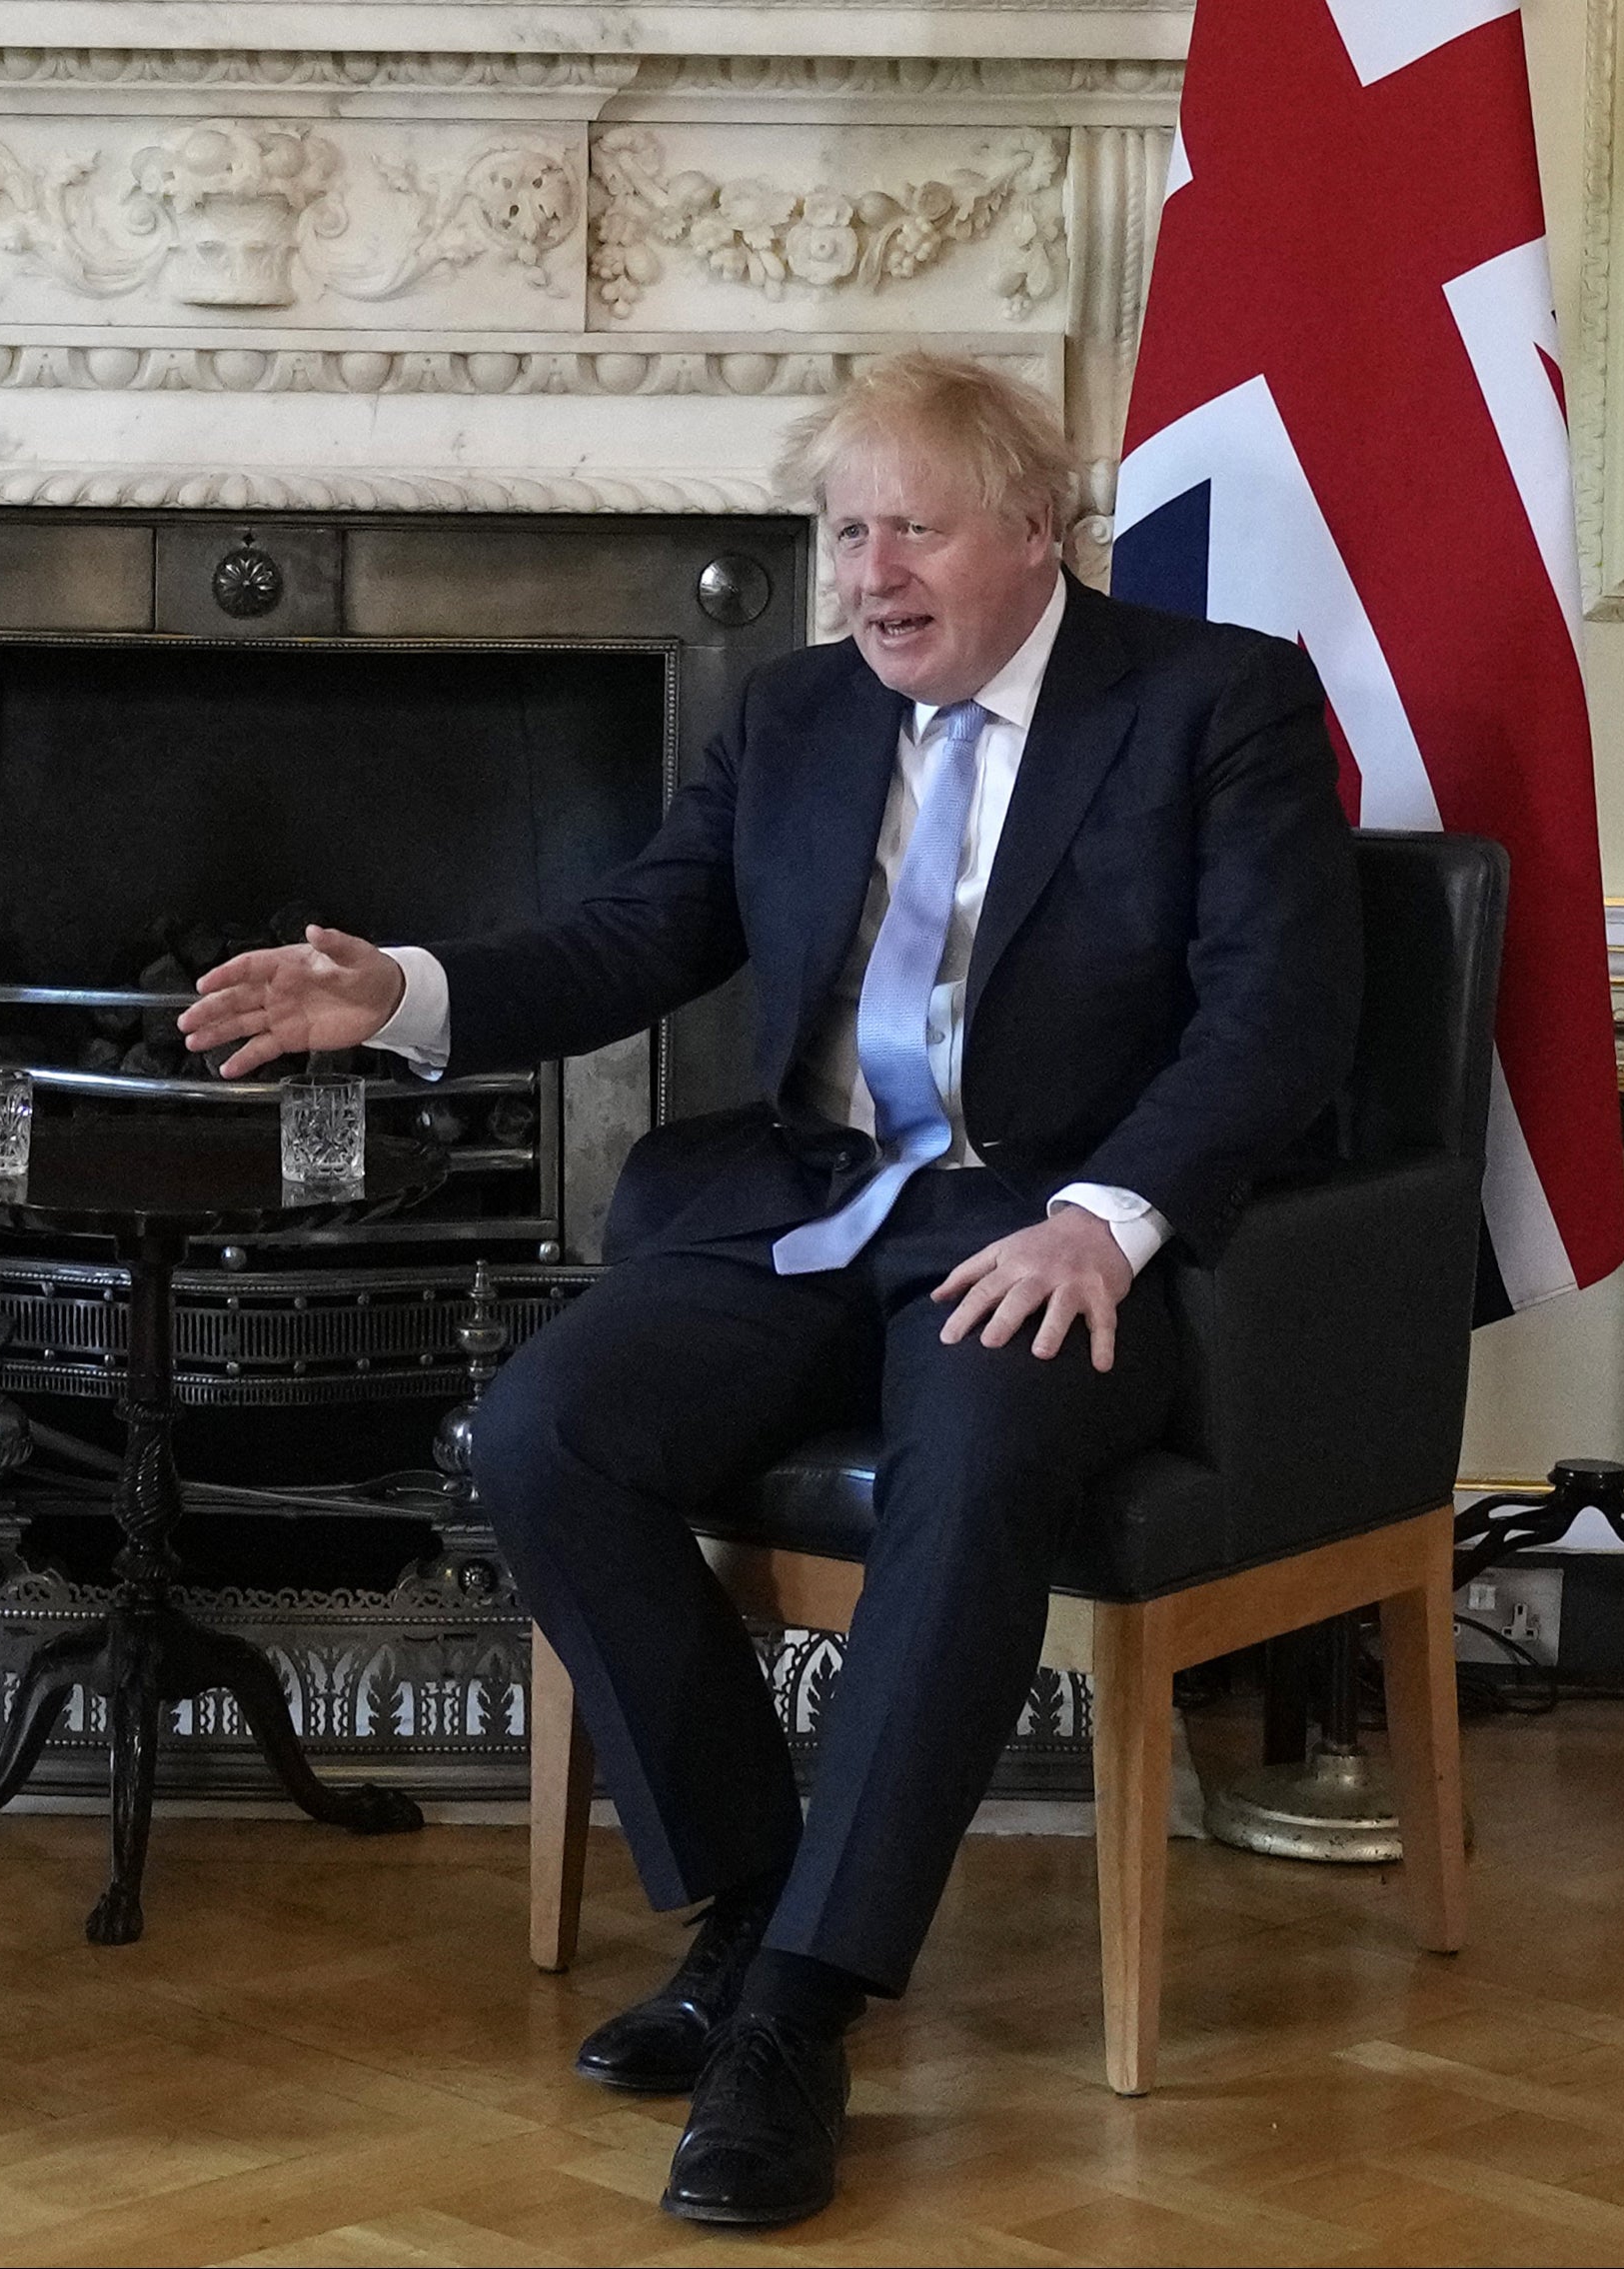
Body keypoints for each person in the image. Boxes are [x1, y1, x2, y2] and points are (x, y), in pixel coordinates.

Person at [180, 351, 1359, 2227]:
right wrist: (399, 995)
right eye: (841, 531)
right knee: (545, 1426)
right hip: (807, 1203)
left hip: (1042, 1226)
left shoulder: (1212, 705)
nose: (866, 572)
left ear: (1035, 532)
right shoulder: (797, 712)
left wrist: (1107, 1213)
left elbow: (1274, 1015)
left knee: (971, 1464)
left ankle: (800, 2013)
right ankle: (749, 1896)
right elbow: (640, 930)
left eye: (911, 526)